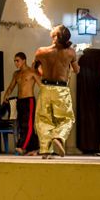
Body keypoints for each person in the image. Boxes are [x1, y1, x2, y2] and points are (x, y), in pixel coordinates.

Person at [34, 25, 80, 158]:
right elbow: (76, 70)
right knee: (66, 118)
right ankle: (59, 137)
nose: (53, 27)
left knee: (43, 120)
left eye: (56, 28)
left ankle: (46, 150)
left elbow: (36, 68)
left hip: (46, 88)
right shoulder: (71, 52)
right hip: (61, 90)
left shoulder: (41, 51)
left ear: (56, 36)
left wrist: (44, 73)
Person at [2, 52, 40, 155]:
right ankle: (34, 148)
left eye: (17, 60)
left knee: (27, 125)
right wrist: (6, 95)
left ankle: (22, 146)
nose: (16, 63)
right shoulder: (16, 74)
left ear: (24, 60)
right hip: (20, 101)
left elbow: (42, 85)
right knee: (22, 125)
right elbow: (11, 86)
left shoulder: (32, 72)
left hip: (29, 100)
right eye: (14, 61)